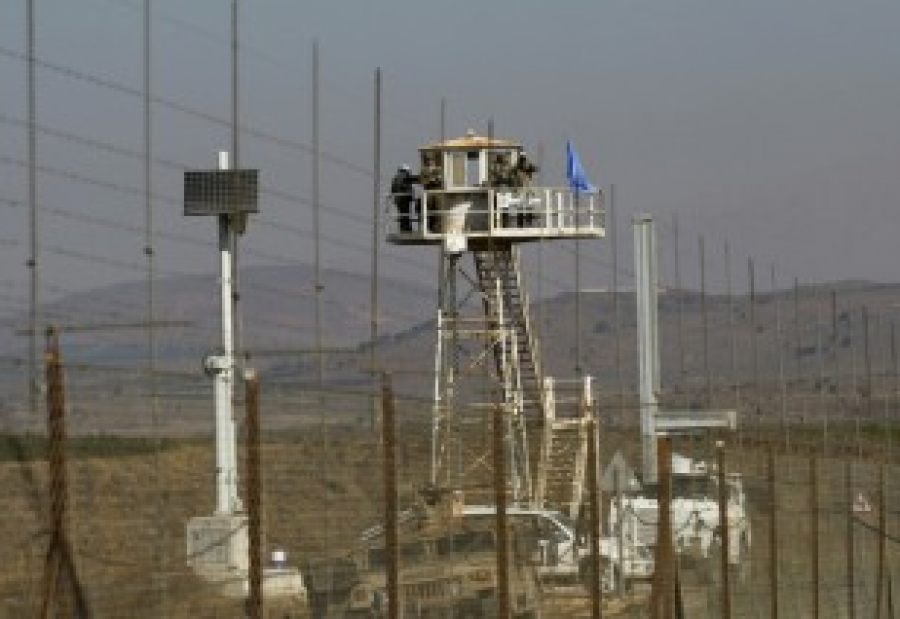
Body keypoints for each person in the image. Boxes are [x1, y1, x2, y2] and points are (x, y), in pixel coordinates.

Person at [390, 164, 419, 232]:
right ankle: (407, 229)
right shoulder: (403, 176)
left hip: (399, 200)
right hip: (404, 199)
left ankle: (403, 229)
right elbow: (411, 179)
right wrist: (420, 178)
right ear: (406, 171)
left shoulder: (396, 178)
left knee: (402, 215)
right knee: (405, 215)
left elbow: (393, 190)